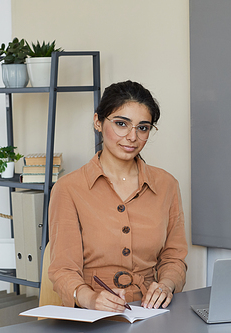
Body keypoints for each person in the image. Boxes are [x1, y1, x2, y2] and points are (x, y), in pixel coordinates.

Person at [48, 80, 188, 313]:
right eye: (122, 124)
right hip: (92, 315)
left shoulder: (167, 185)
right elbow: (63, 270)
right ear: (98, 122)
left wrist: (166, 285)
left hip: (151, 312)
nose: (132, 137)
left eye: (142, 127)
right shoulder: (68, 188)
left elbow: (174, 258)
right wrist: (91, 299)